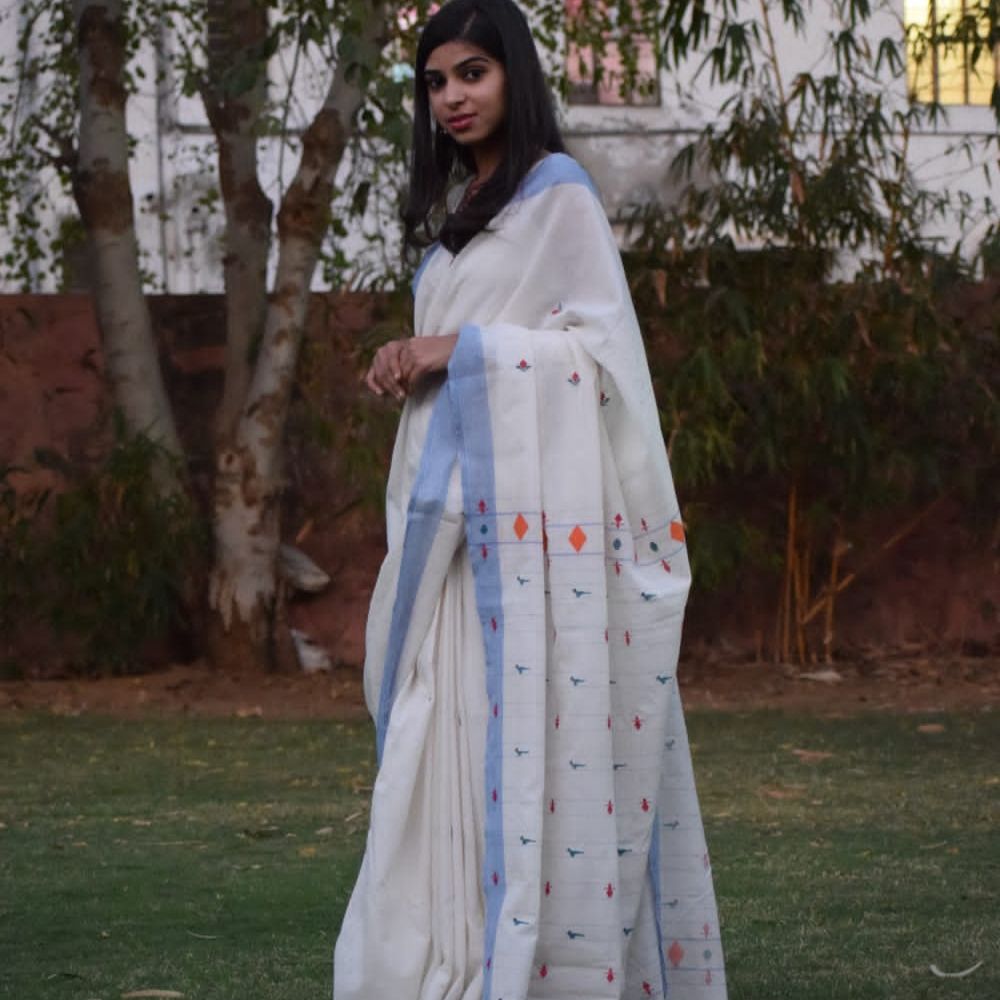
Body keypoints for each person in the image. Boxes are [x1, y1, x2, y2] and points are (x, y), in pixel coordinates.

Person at [333, 1, 727, 997]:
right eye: (434, 82)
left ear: (514, 74)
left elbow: (601, 368)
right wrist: (411, 353)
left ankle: (534, 965)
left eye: (472, 73)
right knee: (440, 759)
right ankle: (452, 962)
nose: (452, 98)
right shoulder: (456, 221)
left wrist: (458, 350)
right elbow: (462, 354)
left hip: (535, 568)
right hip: (457, 559)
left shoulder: (557, 200)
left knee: (533, 764)